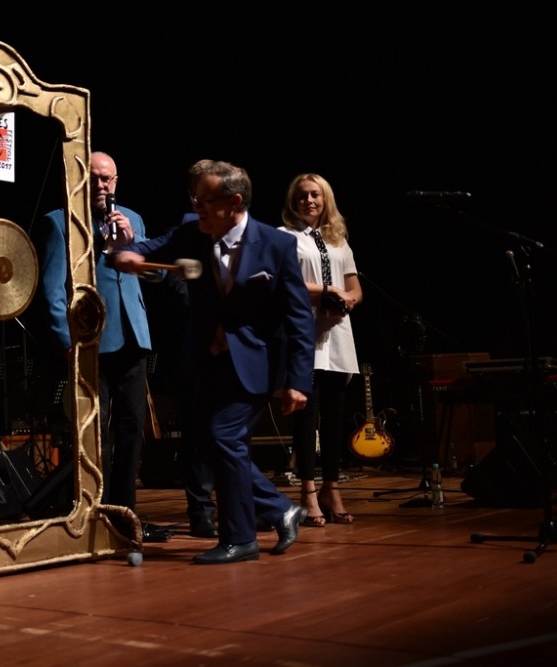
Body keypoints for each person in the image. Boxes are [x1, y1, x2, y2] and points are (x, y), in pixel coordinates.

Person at [112, 159, 314, 564]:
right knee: (209, 443)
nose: (197, 206)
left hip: (255, 363)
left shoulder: (275, 245)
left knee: (223, 436)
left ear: (234, 202)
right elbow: (144, 250)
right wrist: (126, 254)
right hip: (206, 360)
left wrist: (298, 381)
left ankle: (240, 539)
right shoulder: (192, 231)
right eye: (195, 199)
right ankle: (280, 509)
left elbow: (299, 318)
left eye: (205, 199)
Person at [34, 151, 170, 542]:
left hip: (133, 336)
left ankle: (126, 515)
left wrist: (134, 243)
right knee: (96, 433)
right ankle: (95, 513)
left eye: (106, 179)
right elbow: (52, 292)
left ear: (116, 182)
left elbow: (158, 275)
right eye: (94, 177)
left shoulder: (133, 219)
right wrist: (68, 343)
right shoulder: (60, 221)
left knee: (131, 429)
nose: (100, 185)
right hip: (90, 342)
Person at [279, 173, 362, 526]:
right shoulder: (285, 237)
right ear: (293, 201)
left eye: (315, 195)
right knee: (307, 415)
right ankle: (308, 491)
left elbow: (355, 288)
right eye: (302, 196)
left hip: (338, 335)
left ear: (325, 199)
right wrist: (327, 290)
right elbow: (286, 282)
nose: (309, 201)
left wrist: (347, 299)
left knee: (335, 416)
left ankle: (332, 488)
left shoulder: (339, 240)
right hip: (304, 335)